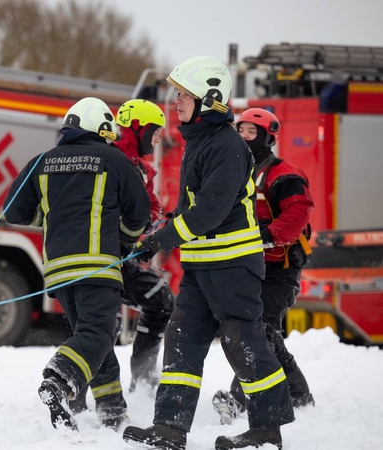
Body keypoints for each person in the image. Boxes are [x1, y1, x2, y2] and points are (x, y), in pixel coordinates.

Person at [122, 57, 295, 450]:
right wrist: (156, 236)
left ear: (210, 99)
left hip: (232, 265)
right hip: (202, 266)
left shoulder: (226, 145)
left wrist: (163, 240)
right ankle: (170, 428)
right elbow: (190, 208)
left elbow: (209, 212)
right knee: (182, 335)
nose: (177, 100)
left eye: (185, 94)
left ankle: (267, 430)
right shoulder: (200, 141)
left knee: (240, 338)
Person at [3, 97, 150, 431]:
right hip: (97, 265)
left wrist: (51, 217)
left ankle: (112, 410)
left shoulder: (42, 161)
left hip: (59, 270)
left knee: (93, 336)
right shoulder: (114, 159)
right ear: (101, 128)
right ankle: (58, 379)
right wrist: (124, 239)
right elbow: (139, 214)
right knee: (99, 332)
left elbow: (13, 211)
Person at [212, 108, 315, 425]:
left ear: (269, 137)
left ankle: (239, 399)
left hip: (280, 269)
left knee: (259, 329)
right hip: (248, 265)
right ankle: (298, 394)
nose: (243, 136)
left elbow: (297, 215)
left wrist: (265, 236)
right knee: (264, 331)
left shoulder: (284, 174)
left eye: (251, 132)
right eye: (240, 130)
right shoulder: (234, 170)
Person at [114, 99, 175, 391]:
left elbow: (150, 210)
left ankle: (142, 381)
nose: (157, 139)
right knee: (103, 325)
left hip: (123, 258)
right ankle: (86, 395)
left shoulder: (140, 168)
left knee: (161, 301)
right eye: (155, 132)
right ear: (138, 128)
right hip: (103, 258)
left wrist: (162, 226)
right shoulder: (111, 160)